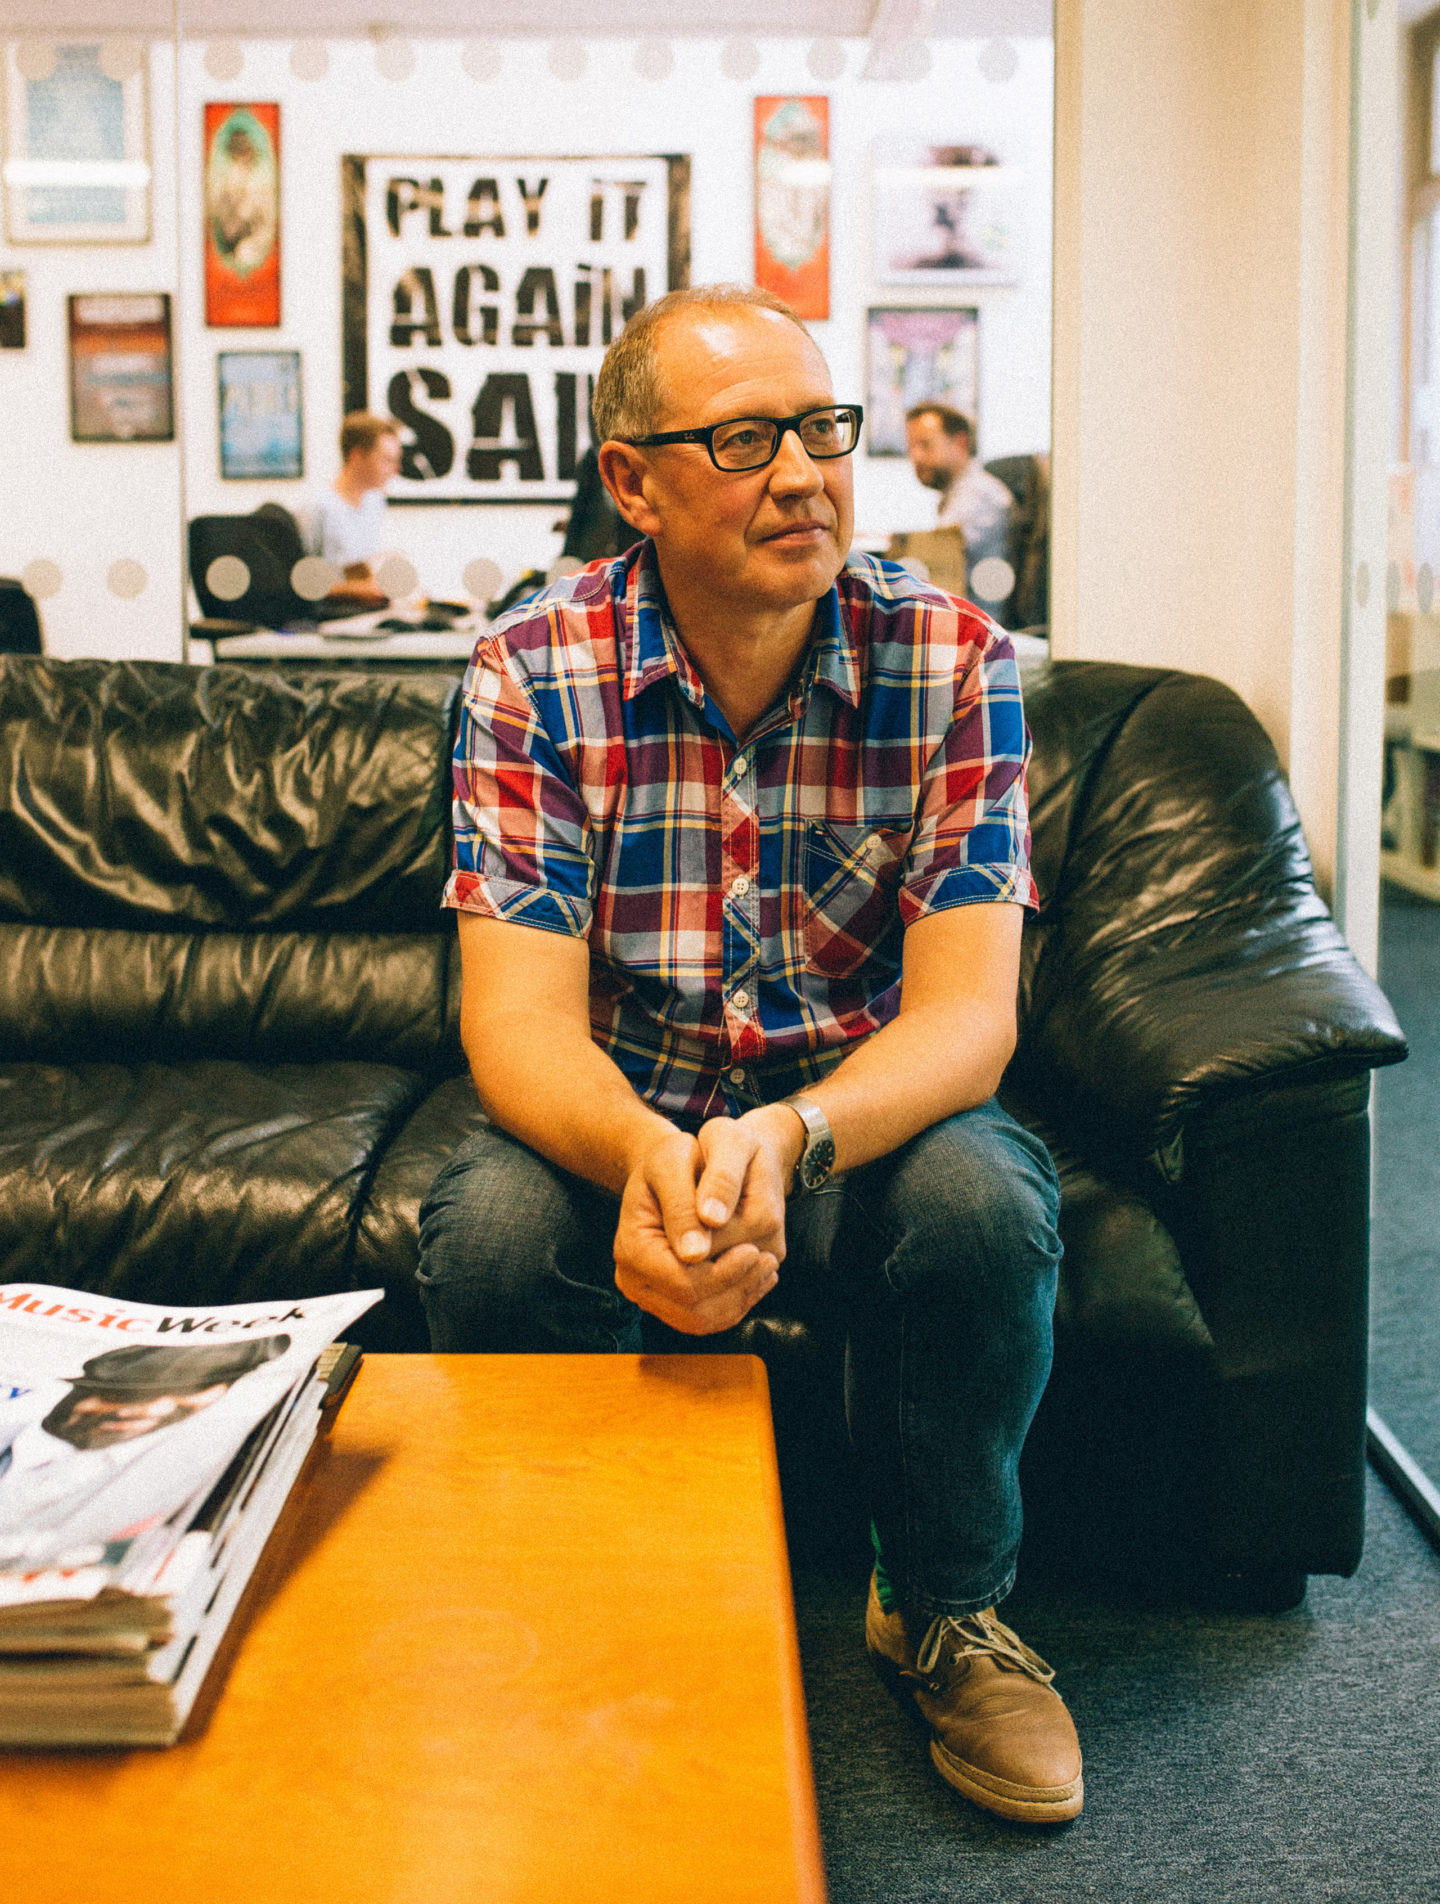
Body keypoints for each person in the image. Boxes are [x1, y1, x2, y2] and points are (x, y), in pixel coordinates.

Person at [418, 285, 1081, 1825]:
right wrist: (651, 1156)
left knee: (986, 1209)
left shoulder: (950, 657)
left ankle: (946, 1607)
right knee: (491, 1230)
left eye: (821, 428)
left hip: (859, 1113)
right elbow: (515, 1023)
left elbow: (969, 1018)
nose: (802, 473)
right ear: (631, 482)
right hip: (626, 1105)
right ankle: (584, 1597)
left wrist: (788, 1138)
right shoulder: (529, 668)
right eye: (743, 439)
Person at [0, 1338, 290, 1562]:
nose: (150, 1412)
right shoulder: (12, 1419)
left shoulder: (177, 1478)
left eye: (180, 1407)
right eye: (123, 1394)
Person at [889, 402, 1014, 618]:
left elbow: (935, 552)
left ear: (960, 443)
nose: (915, 457)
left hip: (979, 625)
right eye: (911, 447)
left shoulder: (979, 494)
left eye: (925, 445)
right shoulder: (961, 493)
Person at [303, 411, 402, 584]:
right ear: (356, 456)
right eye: (386, 460)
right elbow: (303, 584)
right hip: (333, 601)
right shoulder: (316, 507)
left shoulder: (375, 502)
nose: (395, 469)